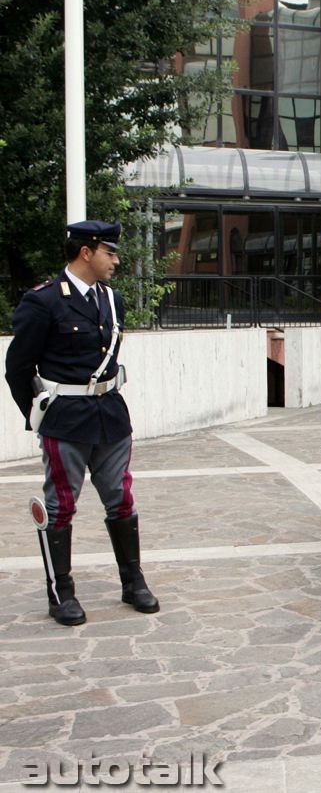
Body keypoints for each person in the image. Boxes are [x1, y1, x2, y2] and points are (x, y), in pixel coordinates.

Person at [5, 220, 159, 626]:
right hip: (65, 420)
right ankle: (62, 593)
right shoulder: (43, 301)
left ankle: (133, 582)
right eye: (110, 252)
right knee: (60, 507)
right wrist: (38, 414)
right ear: (86, 252)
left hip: (109, 415)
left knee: (121, 499)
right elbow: (17, 367)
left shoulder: (112, 300)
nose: (117, 260)